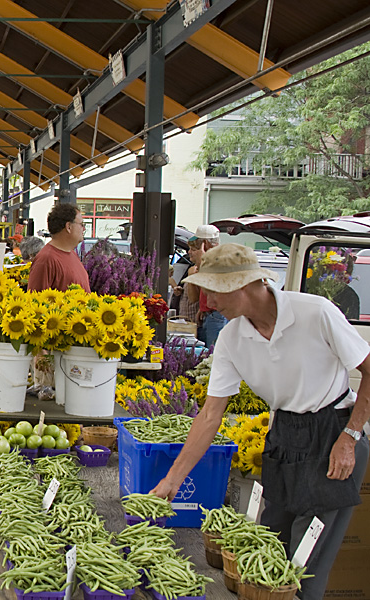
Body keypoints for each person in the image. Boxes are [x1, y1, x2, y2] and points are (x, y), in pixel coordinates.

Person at [151, 244, 370, 600]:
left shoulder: (315, 313)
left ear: (241, 286)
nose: (206, 301)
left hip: (333, 431)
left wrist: (351, 435)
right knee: (265, 547)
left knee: (303, 567)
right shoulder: (232, 339)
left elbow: (369, 370)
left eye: (211, 291)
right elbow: (210, 414)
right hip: (284, 433)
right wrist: (172, 480)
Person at [28, 204, 90, 292]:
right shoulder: (46, 260)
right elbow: (35, 300)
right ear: (68, 226)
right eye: (81, 224)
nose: (83, 229)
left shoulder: (72, 254)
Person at [188, 225, 226, 346]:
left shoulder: (216, 259)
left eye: (198, 243)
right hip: (210, 312)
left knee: (212, 351)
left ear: (204, 243)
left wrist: (201, 257)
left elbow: (208, 281)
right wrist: (203, 308)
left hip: (217, 313)